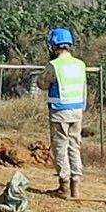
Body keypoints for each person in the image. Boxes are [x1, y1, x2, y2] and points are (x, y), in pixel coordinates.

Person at [34, 27, 86, 198]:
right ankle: (75, 186)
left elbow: (42, 83)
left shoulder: (54, 66)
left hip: (59, 113)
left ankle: (63, 186)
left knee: (60, 147)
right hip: (77, 112)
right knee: (74, 146)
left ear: (53, 46)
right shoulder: (80, 65)